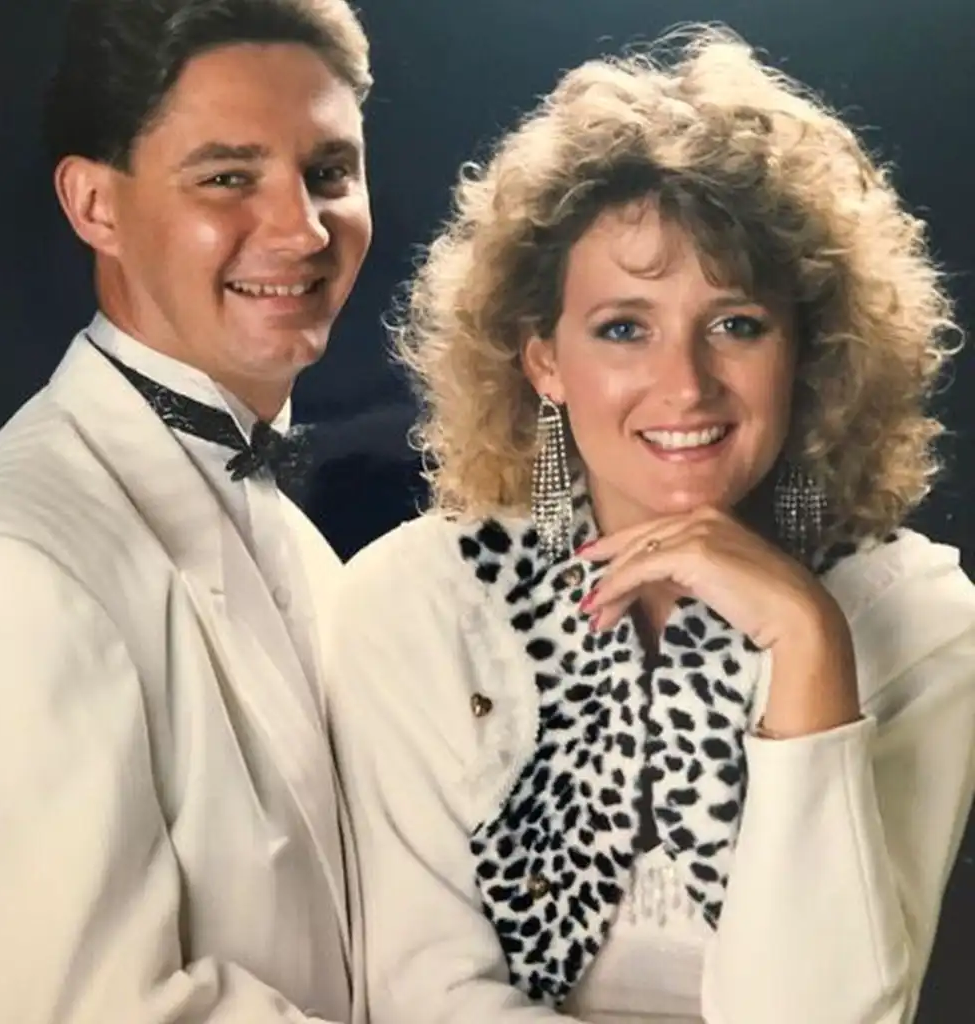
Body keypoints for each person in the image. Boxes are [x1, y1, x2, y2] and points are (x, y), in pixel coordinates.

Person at [323, 25, 975, 1024]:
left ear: (805, 350)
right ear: (543, 359)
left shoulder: (921, 617)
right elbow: (427, 999)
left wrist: (807, 640)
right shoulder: (411, 602)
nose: (685, 384)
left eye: (736, 324)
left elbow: (830, 1012)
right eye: (624, 327)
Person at [0, 0, 372, 1021]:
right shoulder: (10, 564)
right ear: (95, 204)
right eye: (227, 177)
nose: (302, 229)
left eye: (328, 171)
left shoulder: (297, 535)